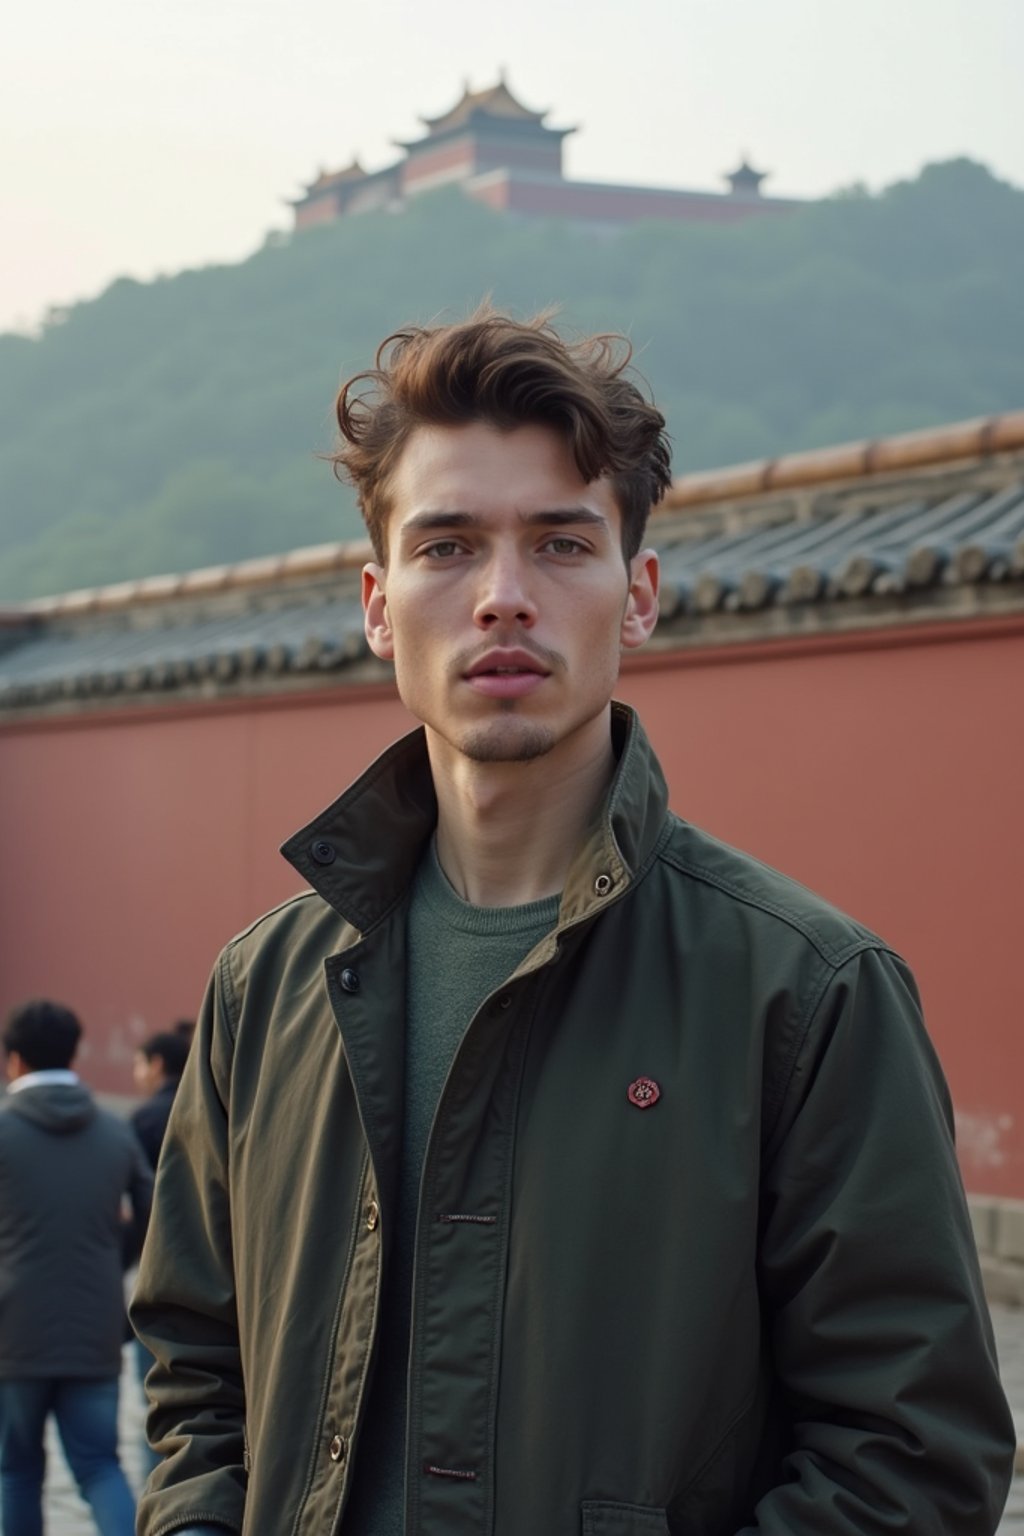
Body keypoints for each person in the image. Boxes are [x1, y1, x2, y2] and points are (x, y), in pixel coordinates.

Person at [132, 310, 1015, 1536]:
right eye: (447, 547)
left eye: (559, 544)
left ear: (638, 594)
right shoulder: (265, 984)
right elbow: (193, 1363)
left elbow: (909, 1457)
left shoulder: (805, 992)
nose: (502, 598)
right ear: (380, 607)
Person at [0, 999, 152, 1536]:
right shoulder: (113, 1134)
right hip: (94, 1324)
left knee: (16, 1470)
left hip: (13, 1330)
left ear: (13, 1060)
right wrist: (116, 1256)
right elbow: (155, 1208)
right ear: (73, 1054)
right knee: (99, 1464)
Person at [129, 1028, 192, 1477]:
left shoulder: (144, 1119)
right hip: (220, 1272)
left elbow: (135, 1208)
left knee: (157, 1402)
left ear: (154, 1065)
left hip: (160, 1271)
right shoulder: (211, 1108)